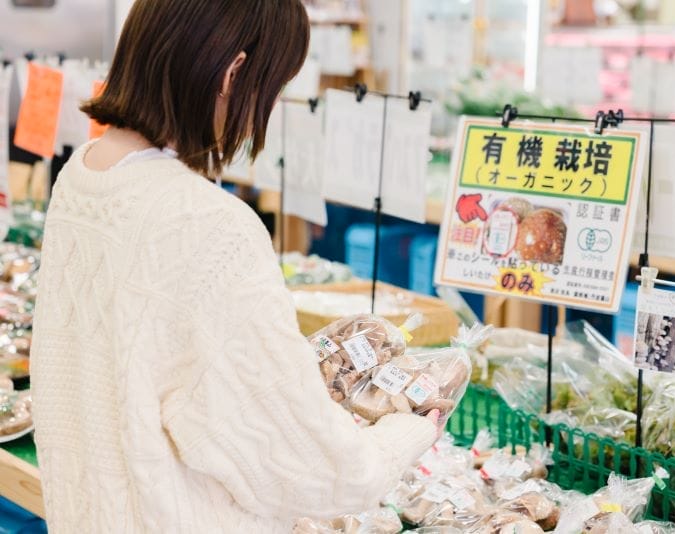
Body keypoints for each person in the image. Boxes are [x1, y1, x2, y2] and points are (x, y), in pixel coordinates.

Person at [30, 1, 439, 532]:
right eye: (270, 90)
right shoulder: (208, 223)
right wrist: (404, 433)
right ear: (231, 74)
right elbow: (303, 466)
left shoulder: (80, 178)